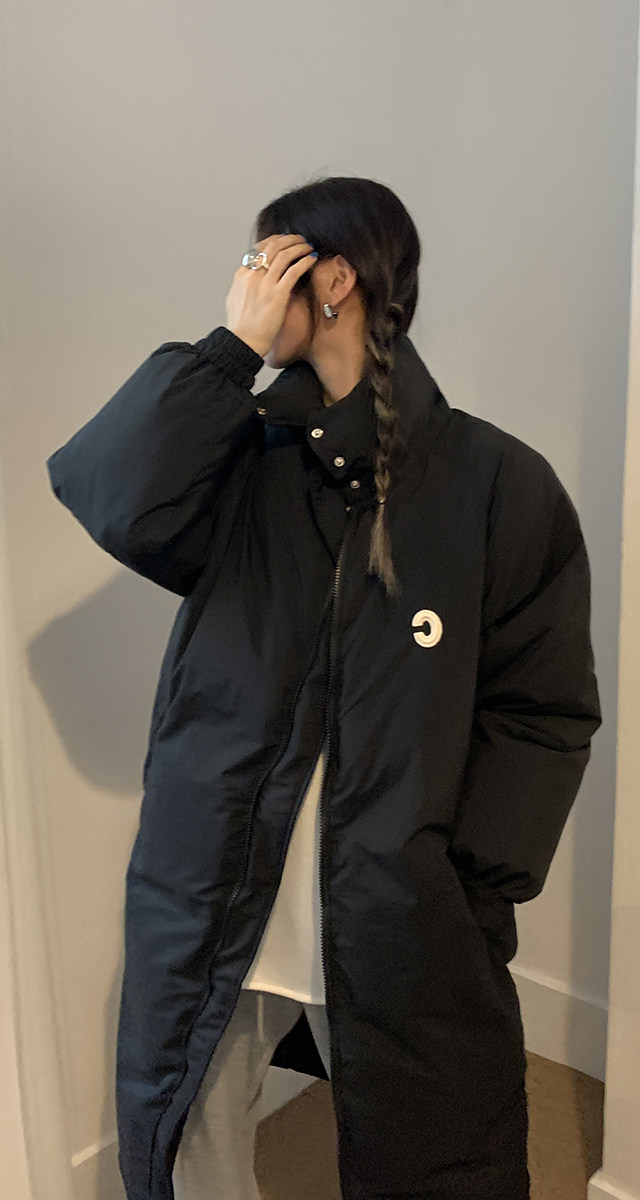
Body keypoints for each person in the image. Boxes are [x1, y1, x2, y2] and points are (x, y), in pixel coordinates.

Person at [46, 176, 602, 1200]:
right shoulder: (241, 457)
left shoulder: (497, 484)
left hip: (400, 912)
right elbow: (109, 495)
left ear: (332, 277)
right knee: (186, 1149)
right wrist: (228, 351)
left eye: (262, 262)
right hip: (215, 886)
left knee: (435, 1148)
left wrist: (466, 882)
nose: (245, 283)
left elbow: (542, 707)